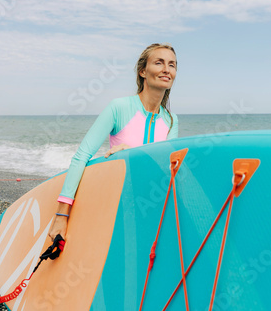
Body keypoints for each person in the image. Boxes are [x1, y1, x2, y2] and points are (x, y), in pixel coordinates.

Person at [49, 43, 179, 241]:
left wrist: (132, 153)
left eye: (172, 65)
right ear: (143, 71)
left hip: (152, 208)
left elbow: (167, 171)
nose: (166, 70)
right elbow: (81, 156)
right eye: (159, 63)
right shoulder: (119, 108)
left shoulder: (171, 120)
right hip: (117, 205)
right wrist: (62, 215)